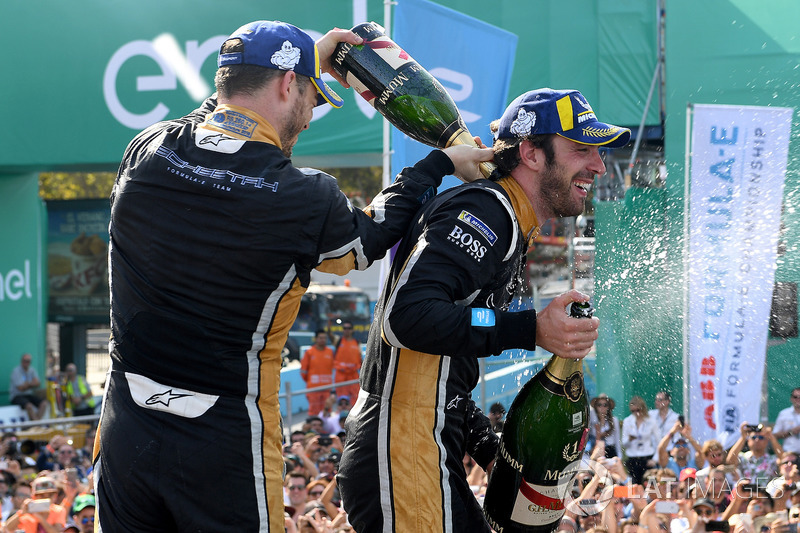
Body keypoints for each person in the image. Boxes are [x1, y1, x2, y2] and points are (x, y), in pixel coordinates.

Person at [95, 18, 491, 532]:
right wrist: (436, 165)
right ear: (287, 85)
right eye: (310, 96)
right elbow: (367, 241)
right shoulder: (304, 198)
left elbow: (224, 123)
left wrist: (305, 60)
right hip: (225, 434)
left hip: (127, 423)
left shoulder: (148, 150)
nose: (308, 115)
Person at [338, 88, 628, 532]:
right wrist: (529, 328)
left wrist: (489, 449)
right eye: (581, 149)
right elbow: (408, 317)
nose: (598, 165)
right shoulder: (487, 210)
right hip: (402, 449)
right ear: (531, 152)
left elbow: (444, 366)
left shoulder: (508, 217)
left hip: (420, 445)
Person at [622, 395, 659, 485]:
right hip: (633, 459)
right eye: (633, 411)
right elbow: (624, 443)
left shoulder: (651, 421)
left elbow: (659, 441)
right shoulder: (628, 421)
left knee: (650, 485)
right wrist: (629, 439)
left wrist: (655, 459)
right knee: (634, 486)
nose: (636, 413)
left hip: (647, 457)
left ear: (643, 408)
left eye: (638, 410)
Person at [301, 331, 335, 416]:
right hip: (313, 389)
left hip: (327, 388)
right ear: (316, 339)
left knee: (327, 412)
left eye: (324, 338)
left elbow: (332, 368)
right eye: (320, 338)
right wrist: (311, 382)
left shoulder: (329, 352)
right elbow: (303, 372)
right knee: (314, 413)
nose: (323, 340)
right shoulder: (309, 352)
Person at [9, 353, 47, 421]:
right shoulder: (16, 371)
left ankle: (36, 423)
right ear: (21, 361)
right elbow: (20, 388)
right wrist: (32, 383)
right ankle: (36, 424)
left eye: (28, 361)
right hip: (17, 396)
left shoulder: (32, 370)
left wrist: (27, 384)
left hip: (28, 395)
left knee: (44, 404)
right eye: (25, 360)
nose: (26, 362)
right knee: (29, 406)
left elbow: (38, 383)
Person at [331, 321, 362, 402]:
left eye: (349, 328)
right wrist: (329, 322)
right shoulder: (338, 341)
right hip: (341, 375)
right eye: (345, 328)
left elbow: (360, 359)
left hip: (353, 375)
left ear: (352, 330)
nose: (347, 330)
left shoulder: (357, 342)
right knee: (342, 400)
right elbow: (330, 335)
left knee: (355, 399)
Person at [590, 393, 622, 458]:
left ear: (608, 407)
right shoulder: (593, 421)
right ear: (596, 406)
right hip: (597, 450)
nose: (602, 407)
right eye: (599, 405)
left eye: (605, 405)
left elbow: (617, 439)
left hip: (610, 450)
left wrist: (619, 457)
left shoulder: (614, 420)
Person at [774, 388, 800, 454]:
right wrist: (790, 432)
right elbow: (775, 435)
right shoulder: (784, 414)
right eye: (795, 397)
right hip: (790, 454)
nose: (798, 399)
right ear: (791, 398)